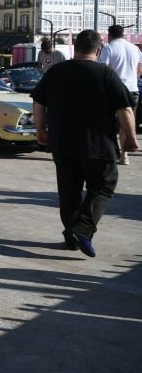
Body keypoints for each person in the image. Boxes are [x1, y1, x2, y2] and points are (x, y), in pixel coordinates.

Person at [31, 29, 137, 258]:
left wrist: (40, 130)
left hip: (62, 143)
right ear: (99, 50)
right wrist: (131, 137)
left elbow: (38, 101)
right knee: (103, 186)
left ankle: (71, 237)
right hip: (99, 145)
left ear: (75, 49)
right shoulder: (106, 73)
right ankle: (82, 228)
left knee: (69, 191)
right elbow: (125, 108)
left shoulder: (57, 71)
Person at [99, 24, 141, 164]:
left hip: (113, 89)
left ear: (109, 35)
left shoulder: (109, 48)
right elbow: (139, 70)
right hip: (132, 88)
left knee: (108, 121)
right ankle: (125, 155)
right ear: (123, 34)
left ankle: (110, 152)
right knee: (127, 122)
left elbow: (103, 71)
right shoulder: (135, 48)